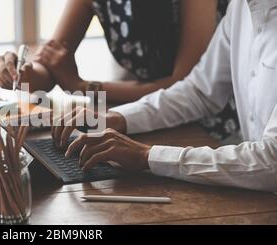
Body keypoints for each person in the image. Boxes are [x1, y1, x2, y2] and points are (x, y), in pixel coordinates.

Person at [54, 0, 277, 193]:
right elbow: (199, 91)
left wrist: (147, 156)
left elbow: (272, 161)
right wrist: (118, 117)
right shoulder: (241, 7)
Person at [0, 0, 238, 141]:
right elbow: (51, 64)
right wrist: (21, 71)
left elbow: (184, 88)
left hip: (209, 127)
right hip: (142, 114)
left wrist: (82, 87)